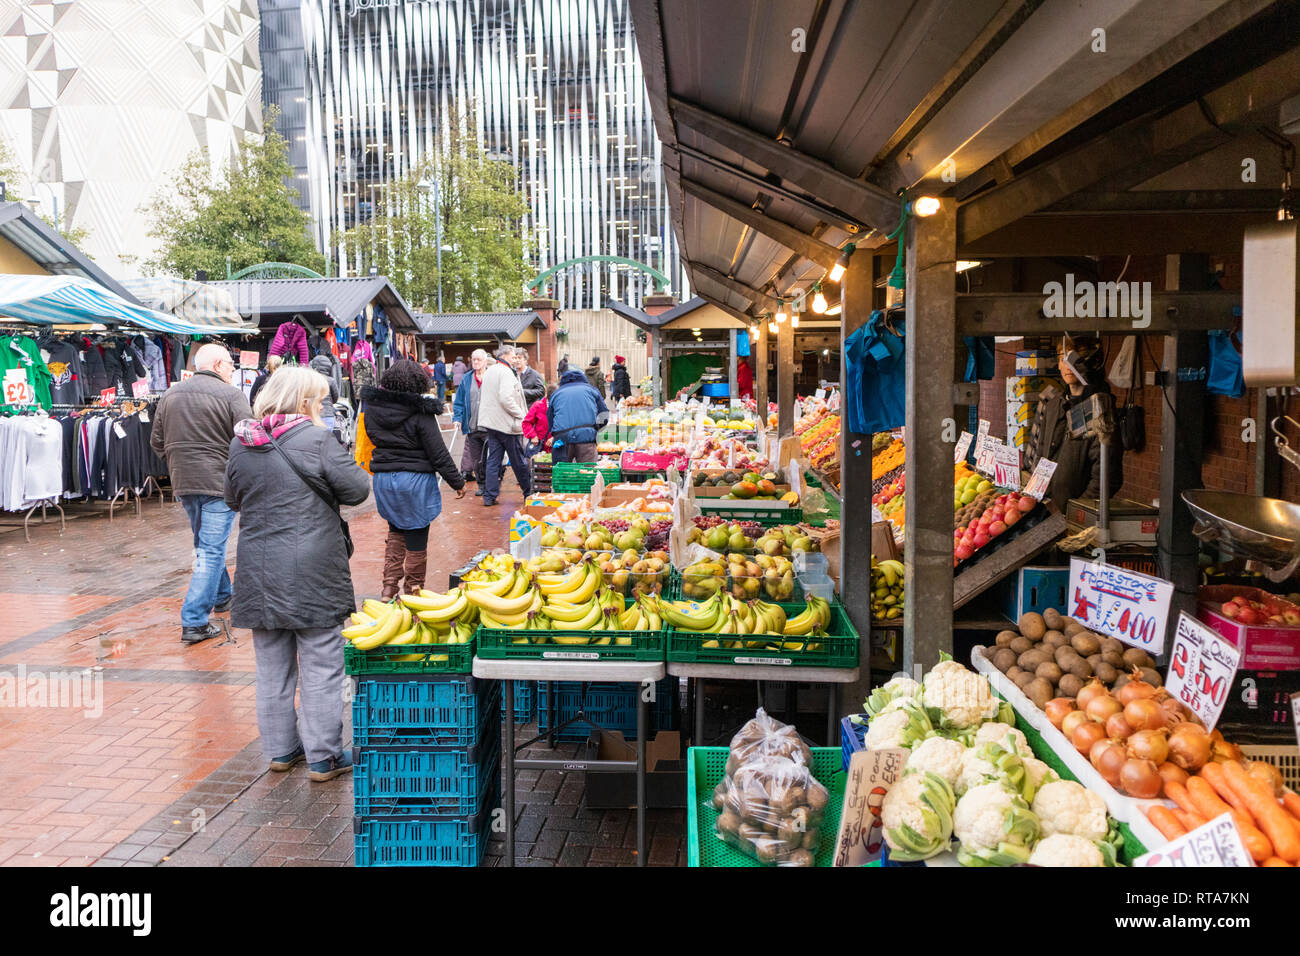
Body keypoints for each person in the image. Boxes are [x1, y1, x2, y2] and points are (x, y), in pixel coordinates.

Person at [224, 366, 371, 780]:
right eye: (319, 399)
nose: (322, 406)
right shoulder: (317, 438)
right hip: (314, 572)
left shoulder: (241, 443)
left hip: (258, 571)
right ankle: (323, 756)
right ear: (305, 401)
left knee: (272, 669)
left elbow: (233, 499)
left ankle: (281, 752)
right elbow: (358, 489)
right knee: (323, 666)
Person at [150, 343, 253, 644]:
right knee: (210, 549)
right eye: (231, 365)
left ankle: (223, 596)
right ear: (218, 365)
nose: (233, 370)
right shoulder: (232, 396)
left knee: (206, 544)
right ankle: (194, 620)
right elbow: (250, 437)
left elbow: (156, 441)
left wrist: (177, 463)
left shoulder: (171, 394)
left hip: (185, 482)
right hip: (219, 483)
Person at [361, 361, 467, 599]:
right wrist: (457, 482)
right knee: (417, 536)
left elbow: (372, 438)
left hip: (384, 480)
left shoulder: (372, 409)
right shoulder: (421, 411)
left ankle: (388, 589)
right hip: (415, 482)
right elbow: (437, 452)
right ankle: (414, 592)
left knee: (396, 530)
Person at [1022, 335, 1124, 514]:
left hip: (1076, 517)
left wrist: (1078, 511)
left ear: (1087, 363)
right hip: (1045, 508)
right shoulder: (1052, 404)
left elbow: (1107, 476)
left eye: (1074, 359)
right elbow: (1041, 454)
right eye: (1063, 359)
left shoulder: (1099, 409)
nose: (1068, 366)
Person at [478, 346, 531, 506]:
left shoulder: (490, 371)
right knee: (518, 461)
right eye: (513, 356)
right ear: (505, 355)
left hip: (492, 424)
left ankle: (489, 496)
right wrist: (522, 415)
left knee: (493, 460)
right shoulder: (506, 372)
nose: (515, 359)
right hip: (507, 425)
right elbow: (506, 398)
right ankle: (528, 492)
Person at [548, 367, 607, 463]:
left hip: (562, 439)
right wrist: (594, 428)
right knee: (587, 472)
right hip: (587, 439)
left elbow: (550, 419)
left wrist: (556, 433)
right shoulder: (592, 390)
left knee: (562, 473)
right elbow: (604, 415)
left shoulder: (556, 393)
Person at [453, 349, 491, 492]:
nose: (475, 362)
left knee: (491, 459)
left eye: (479, 360)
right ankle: (481, 485)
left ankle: (491, 485)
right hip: (473, 426)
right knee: (476, 460)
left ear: (485, 361)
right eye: (474, 360)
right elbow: (459, 401)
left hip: (490, 427)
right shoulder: (467, 378)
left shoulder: (492, 377)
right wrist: (457, 418)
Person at [309, 353, 340, 434]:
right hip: (328, 415)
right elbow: (335, 399)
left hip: (312, 414)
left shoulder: (309, 380)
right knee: (326, 439)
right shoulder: (331, 381)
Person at [522, 383, 554, 456]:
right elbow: (526, 423)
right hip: (539, 446)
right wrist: (533, 435)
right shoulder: (537, 406)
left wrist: (555, 438)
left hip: (555, 447)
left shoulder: (561, 407)